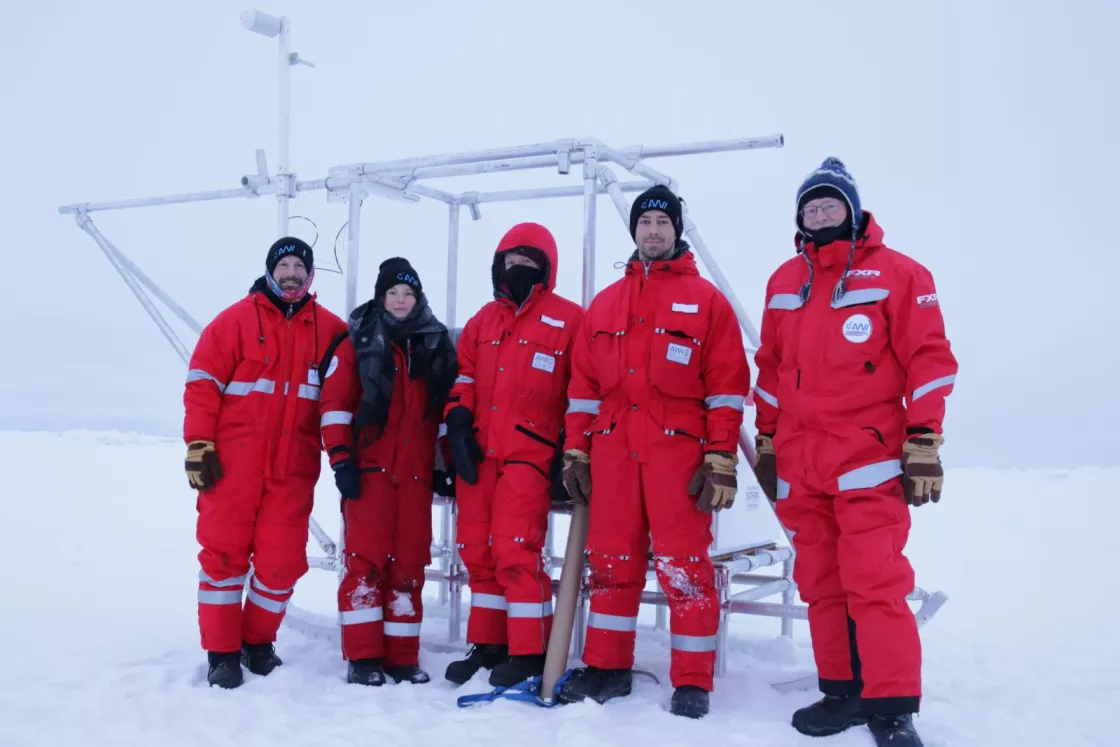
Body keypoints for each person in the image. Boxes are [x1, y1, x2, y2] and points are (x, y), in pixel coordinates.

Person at [751, 158, 957, 747]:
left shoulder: (900, 274)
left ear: (852, 209)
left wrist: (923, 439)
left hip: (868, 455)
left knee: (875, 582)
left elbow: (930, 361)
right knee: (821, 583)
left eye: (829, 205)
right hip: (800, 458)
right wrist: (766, 439)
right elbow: (769, 368)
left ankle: (891, 709)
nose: (820, 215)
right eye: (810, 208)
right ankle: (840, 694)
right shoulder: (784, 281)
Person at [558, 185, 751, 719]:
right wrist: (576, 450)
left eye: (663, 222)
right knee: (613, 564)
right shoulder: (605, 303)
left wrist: (720, 457)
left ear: (677, 230)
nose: (654, 231)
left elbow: (727, 388)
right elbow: (582, 390)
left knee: (684, 567)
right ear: (635, 232)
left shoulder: (707, 302)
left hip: (678, 458)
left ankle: (692, 680)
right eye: (645, 222)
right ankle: (607, 667)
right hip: (614, 452)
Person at [183, 236, 347, 689]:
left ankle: (257, 643)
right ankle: (221, 653)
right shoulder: (234, 321)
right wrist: (199, 444)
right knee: (223, 559)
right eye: (284, 265)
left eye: (300, 266)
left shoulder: (331, 331)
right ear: (271, 271)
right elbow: (202, 384)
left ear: (310, 275)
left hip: (292, 470)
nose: (292, 272)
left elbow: (341, 397)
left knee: (280, 563)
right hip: (232, 468)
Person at [442, 222, 585, 688]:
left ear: (547, 268)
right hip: (479, 455)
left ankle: (529, 651)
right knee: (476, 552)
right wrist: (457, 421)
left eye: (528, 262)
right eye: (510, 261)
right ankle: (488, 644)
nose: (517, 269)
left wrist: (572, 451)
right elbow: (463, 377)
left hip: (529, 455)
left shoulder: (570, 320)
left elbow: (581, 389)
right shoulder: (484, 320)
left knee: (515, 552)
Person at [317, 257, 458, 687]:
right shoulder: (355, 344)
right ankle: (362, 658)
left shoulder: (433, 346)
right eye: (393, 293)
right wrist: (341, 461)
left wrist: (443, 464)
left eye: (408, 293)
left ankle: (401, 657)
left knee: (409, 567)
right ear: (381, 298)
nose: (401, 300)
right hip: (370, 473)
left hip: (414, 478)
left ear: (418, 298)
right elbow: (335, 407)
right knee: (366, 566)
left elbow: (443, 413)